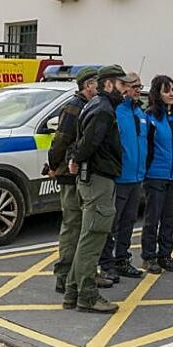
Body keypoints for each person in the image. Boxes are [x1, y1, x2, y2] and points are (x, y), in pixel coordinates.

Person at [65, 65, 128, 313]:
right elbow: (88, 142)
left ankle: (72, 291)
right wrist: (77, 159)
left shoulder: (97, 106)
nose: (125, 91)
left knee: (86, 238)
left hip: (93, 178)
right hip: (98, 179)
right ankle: (87, 296)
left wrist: (76, 160)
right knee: (93, 239)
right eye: (122, 85)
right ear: (109, 84)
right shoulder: (103, 110)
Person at [48, 67, 109, 295]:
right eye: (96, 83)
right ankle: (64, 275)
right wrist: (54, 165)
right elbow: (61, 140)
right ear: (87, 85)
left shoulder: (91, 106)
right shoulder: (74, 107)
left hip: (84, 173)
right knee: (73, 226)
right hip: (70, 174)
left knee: (86, 227)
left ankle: (85, 273)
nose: (100, 87)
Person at [99, 72, 147, 281]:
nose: (138, 90)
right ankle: (106, 264)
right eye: (134, 86)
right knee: (111, 224)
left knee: (128, 223)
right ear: (124, 87)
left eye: (139, 86)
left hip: (136, 178)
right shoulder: (116, 110)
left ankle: (122, 260)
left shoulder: (139, 113)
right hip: (119, 177)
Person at [141, 75, 173, 274]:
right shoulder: (150, 117)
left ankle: (165, 255)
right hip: (156, 175)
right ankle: (149, 256)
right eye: (166, 90)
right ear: (157, 94)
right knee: (153, 219)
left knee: (170, 218)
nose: (171, 94)